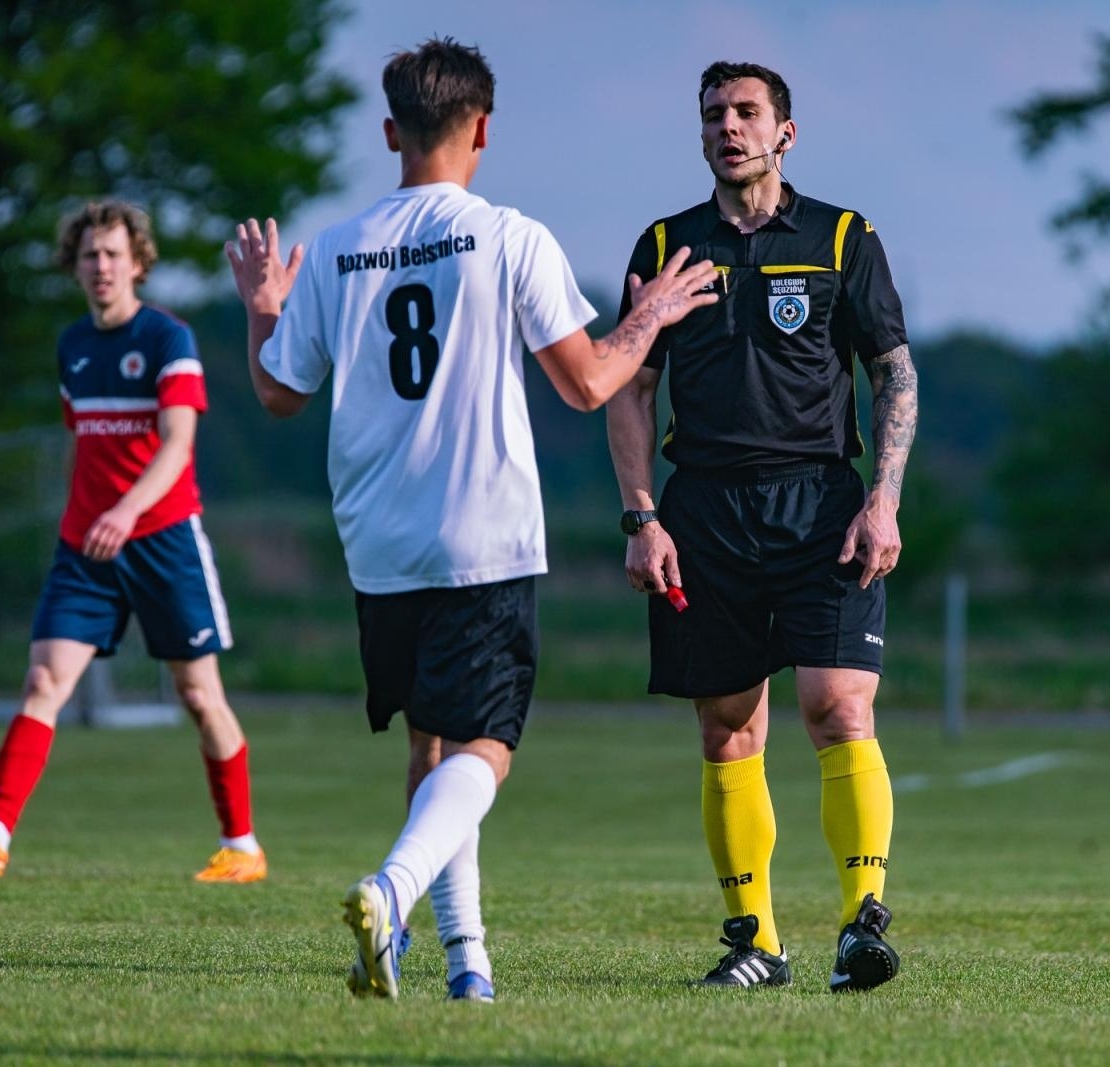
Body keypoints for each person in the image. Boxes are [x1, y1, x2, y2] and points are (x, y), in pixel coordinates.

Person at [224, 38, 716, 1003]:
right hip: (479, 534)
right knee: (487, 747)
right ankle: (391, 891)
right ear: (482, 129)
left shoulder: (336, 246)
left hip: (377, 542)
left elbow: (279, 393)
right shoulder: (506, 235)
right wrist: (652, 313)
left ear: (390, 131)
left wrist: (260, 307)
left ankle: (466, 962)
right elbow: (590, 383)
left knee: (432, 746)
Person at [606, 61, 920, 992]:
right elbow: (630, 387)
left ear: (786, 131)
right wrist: (641, 515)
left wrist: (883, 499)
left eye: (747, 112)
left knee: (840, 707)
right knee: (727, 729)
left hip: (823, 507)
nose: (728, 127)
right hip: (703, 511)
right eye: (714, 114)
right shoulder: (669, 244)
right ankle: (758, 943)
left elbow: (894, 372)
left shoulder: (842, 237)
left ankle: (862, 925)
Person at [0, 201, 266, 885]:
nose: (102, 265)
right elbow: (80, 442)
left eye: (114, 253)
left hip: (163, 538)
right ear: (74, 266)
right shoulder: (73, 347)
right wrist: (83, 514)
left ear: (138, 262)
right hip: (86, 545)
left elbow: (177, 444)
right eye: (90, 255)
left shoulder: (169, 338)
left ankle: (242, 845)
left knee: (199, 695)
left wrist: (127, 510)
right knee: (43, 681)